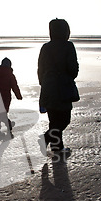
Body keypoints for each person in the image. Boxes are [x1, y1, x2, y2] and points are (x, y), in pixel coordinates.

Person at [38, 18, 79, 153]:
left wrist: (43, 83)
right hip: (63, 88)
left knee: (54, 120)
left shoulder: (45, 47)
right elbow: (73, 70)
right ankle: (46, 138)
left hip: (47, 87)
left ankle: (57, 147)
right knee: (64, 119)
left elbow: (40, 68)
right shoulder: (68, 46)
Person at [0, 57, 22, 137]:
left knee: (1, 113)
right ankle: (6, 128)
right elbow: (14, 86)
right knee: (2, 114)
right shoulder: (10, 74)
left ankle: (3, 127)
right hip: (6, 98)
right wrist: (18, 95)